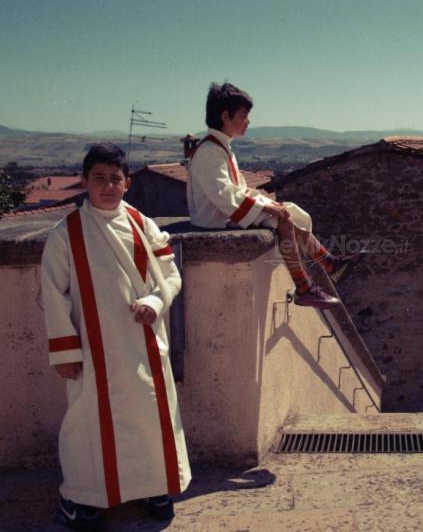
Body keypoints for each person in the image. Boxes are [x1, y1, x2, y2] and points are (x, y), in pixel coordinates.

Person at [41, 143, 191, 531]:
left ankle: (155, 488)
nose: (108, 185)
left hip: (142, 345)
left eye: (115, 178)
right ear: (85, 182)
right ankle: (81, 499)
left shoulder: (145, 225)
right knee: (86, 425)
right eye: (99, 178)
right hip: (92, 351)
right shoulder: (65, 234)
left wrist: (157, 302)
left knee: (149, 419)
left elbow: (171, 275)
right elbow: (52, 293)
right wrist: (64, 350)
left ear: (126, 182)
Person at [187, 82, 363, 309]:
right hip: (213, 217)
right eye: (243, 115)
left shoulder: (220, 146)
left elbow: (234, 190)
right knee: (283, 219)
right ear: (225, 116)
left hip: (224, 210)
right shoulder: (210, 151)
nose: (248, 122)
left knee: (289, 209)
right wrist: (266, 208)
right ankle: (303, 286)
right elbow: (222, 194)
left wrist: (266, 202)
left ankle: (328, 262)